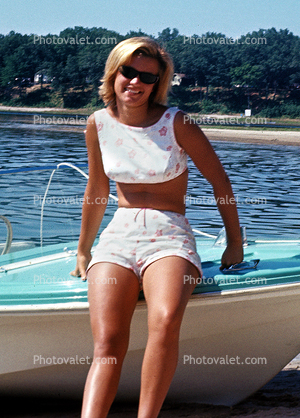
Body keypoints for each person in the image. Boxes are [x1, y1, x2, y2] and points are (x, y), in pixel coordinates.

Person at [71, 36, 243, 418]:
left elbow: (221, 183)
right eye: (127, 72)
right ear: (113, 73)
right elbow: (97, 188)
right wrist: (84, 248)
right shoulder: (97, 124)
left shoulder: (177, 122)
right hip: (118, 235)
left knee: (163, 322)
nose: (135, 82)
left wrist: (235, 242)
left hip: (169, 236)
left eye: (146, 77)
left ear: (158, 82)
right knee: (108, 343)